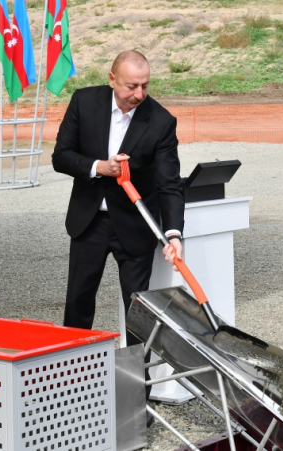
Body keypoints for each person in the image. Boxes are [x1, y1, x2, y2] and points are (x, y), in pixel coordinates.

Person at [52, 49, 184, 347]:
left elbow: (170, 184)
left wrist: (174, 234)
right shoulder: (84, 102)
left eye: (145, 86)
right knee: (78, 302)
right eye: (131, 86)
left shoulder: (161, 121)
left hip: (135, 227)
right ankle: (72, 376)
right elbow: (61, 157)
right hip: (89, 222)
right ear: (112, 79)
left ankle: (137, 384)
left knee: (139, 311)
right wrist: (100, 167)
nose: (139, 94)